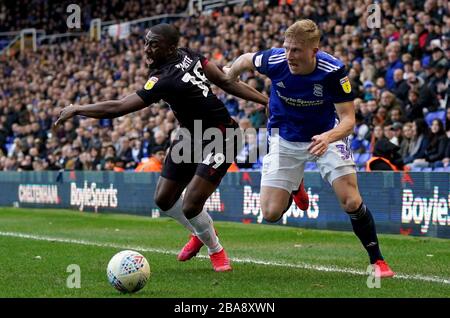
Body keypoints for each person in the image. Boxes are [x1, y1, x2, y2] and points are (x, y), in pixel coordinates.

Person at [54, 23, 272, 272]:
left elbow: (120, 107)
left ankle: (216, 250)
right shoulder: (187, 56)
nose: (147, 49)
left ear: (170, 48)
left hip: (222, 135)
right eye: (146, 42)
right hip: (190, 136)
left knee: (191, 205)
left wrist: (79, 108)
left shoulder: (163, 79)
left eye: (153, 44)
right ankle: (201, 232)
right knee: (164, 198)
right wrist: (265, 100)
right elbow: (224, 81)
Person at [225, 19, 394, 277]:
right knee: (270, 213)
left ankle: (377, 261)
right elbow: (246, 59)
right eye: (286, 48)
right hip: (285, 137)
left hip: (326, 135)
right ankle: (295, 186)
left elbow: (349, 120)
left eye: (296, 50)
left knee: (351, 200)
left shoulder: (333, 70)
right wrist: (231, 73)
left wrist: (328, 137)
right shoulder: (274, 60)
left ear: (313, 51)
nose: (289, 56)